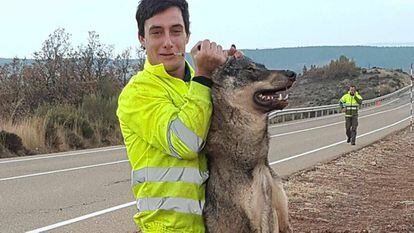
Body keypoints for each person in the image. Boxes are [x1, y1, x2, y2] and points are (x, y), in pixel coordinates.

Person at [116, 0, 240, 232]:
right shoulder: (138, 93)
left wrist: (233, 75)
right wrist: (203, 76)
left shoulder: (203, 84)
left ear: (187, 35)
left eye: (176, 31)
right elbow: (185, 142)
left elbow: (236, 137)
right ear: (142, 39)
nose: (168, 43)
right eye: (156, 33)